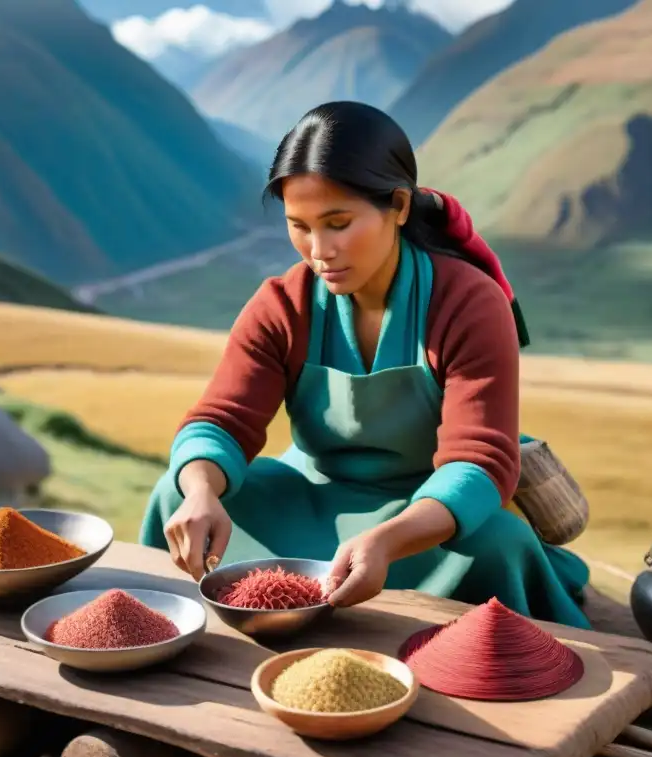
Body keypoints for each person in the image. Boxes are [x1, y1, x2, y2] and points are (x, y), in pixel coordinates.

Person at [139, 101, 591, 629]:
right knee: (177, 490)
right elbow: (222, 421)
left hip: (426, 514)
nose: (319, 250)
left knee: (499, 541)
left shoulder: (468, 302)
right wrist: (199, 492)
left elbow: (479, 459)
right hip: (310, 498)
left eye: (338, 223)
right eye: (299, 226)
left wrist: (390, 539)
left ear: (398, 205)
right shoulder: (283, 304)